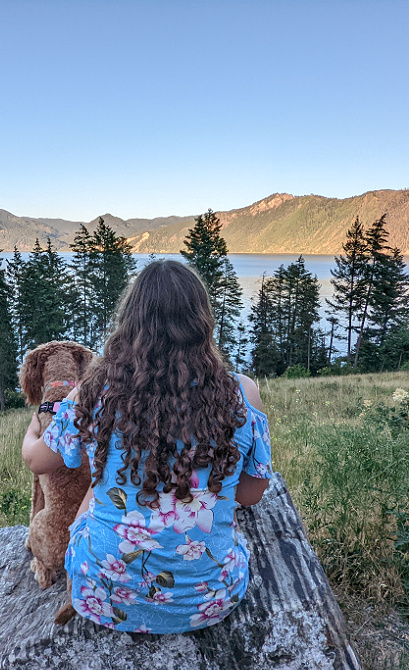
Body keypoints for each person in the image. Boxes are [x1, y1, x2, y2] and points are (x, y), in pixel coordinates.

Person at [21, 260, 272, 633]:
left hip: (101, 595)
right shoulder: (240, 392)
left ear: (130, 323)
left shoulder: (93, 392)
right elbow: (251, 495)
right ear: (202, 323)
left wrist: (37, 420)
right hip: (208, 601)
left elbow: (37, 461)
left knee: (100, 484)